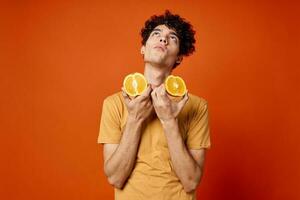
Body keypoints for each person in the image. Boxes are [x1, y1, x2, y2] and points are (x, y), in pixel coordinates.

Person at [98, 10, 211, 200]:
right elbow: (115, 178)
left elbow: (191, 181)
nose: (163, 39)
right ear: (143, 48)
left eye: (172, 38)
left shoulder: (196, 107)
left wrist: (169, 120)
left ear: (179, 58)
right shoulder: (114, 104)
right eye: (156, 34)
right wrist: (134, 118)